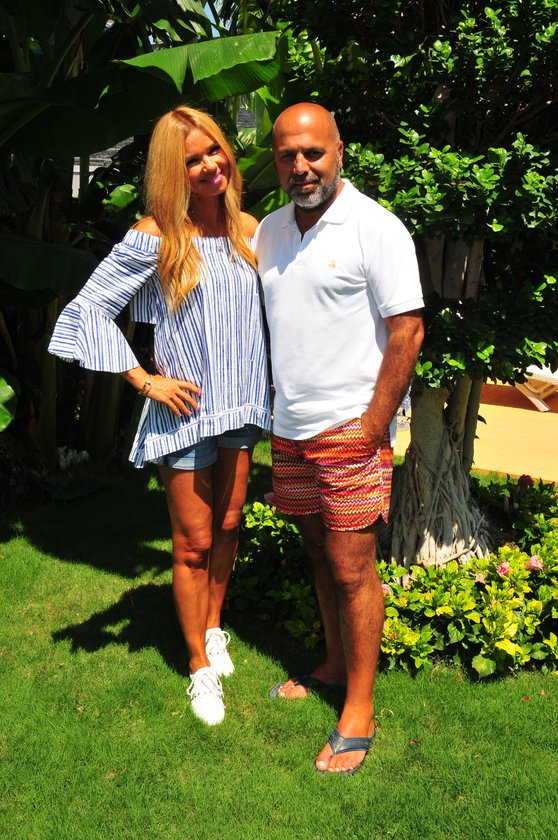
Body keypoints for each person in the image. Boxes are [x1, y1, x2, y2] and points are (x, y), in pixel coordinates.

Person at [49, 106, 271, 726]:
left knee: (228, 525)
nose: (209, 165)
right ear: (174, 172)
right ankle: (198, 667)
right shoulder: (155, 235)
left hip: (241, 403)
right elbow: (88, 309)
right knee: (193, 542)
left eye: (214, 150)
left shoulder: (249, 230)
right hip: (186, 409)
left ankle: (213, 626)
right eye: (192, 160)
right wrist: (145, 380)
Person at [254, 103, 424, 774]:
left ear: (339, 151)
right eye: (287, 156)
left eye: (313, 153)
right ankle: (330, 663)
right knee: (319, 556)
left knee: (354, 569)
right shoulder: (268, 231)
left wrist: (373, 427)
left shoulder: (375, 228)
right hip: (290, 431)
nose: (301, 167)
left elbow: (407, 330)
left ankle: (359, 709)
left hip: (351, 429)